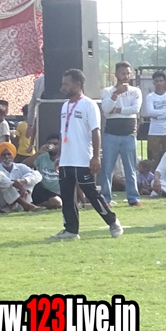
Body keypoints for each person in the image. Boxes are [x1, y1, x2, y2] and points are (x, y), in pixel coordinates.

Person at [53, 69, 122, 239]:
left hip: (82, 159)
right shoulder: (64, 106)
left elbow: (95, 131)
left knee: (92, 194)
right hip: (66, 160)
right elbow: (63, 133)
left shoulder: (89, 105)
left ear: (78, 85)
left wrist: (96, 156)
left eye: (66, 84)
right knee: (67, 197)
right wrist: (60, 156)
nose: (63, 87)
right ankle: (71, 230)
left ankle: (113, 222)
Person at [99, 61, 144, 208]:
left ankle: (133, 198)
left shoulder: (136, 91)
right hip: (111, 134)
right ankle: (106, 198)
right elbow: (106, 109)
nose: (126, 76)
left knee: (130, 168)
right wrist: (116, 94)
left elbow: (135, 109)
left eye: (128, 73)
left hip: (128, 134)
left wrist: (117, 110)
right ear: (116, 74)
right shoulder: (107, 91)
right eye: (123, 73)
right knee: (107, 168)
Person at [0, 141, 44, 212]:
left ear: (13, 155)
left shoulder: (21, 167)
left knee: (29, 176)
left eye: (9, 154)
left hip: (19, 205)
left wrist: (23, 181)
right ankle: (27, 205)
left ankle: (11, 205)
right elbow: (3, 181)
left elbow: (38, 176)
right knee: (3, 182)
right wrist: (18, 186)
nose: (7, 157)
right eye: (3, 155)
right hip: (2, 204)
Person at [142, 70, 166, 165]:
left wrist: (158, 117)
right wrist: (165, 111)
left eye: (161, 81)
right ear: (153, 82)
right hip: (154, 131)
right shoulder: (150, 96)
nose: (159, 83)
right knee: (154, 157)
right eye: (157, 81)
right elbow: (150, 112)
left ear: (164, 82)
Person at [22, 132, 64, 209]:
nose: (52, 146)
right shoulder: (42, 157)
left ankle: (39, 206)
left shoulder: (65, 159)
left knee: (58, 201)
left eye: (56, 144)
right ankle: (38, 205)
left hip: (61, 192)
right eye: (50, 143)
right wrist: (38, 153)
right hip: (43, 190)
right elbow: (23, 166)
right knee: (56, 202)